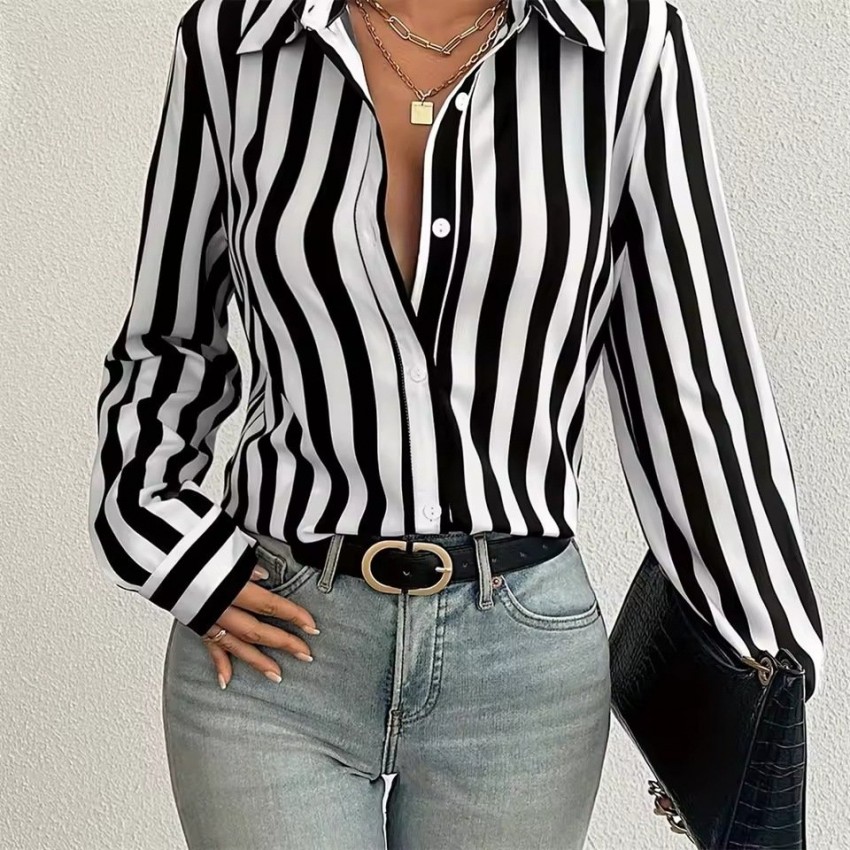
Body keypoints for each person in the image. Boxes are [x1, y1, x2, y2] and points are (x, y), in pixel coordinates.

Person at [87, 0, 825, 847]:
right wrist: (163, 538)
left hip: (521, 667)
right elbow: (168, 341)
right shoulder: (233, 42)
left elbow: (692, 372)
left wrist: (772, 660)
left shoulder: (624, 43)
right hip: (271, 649)